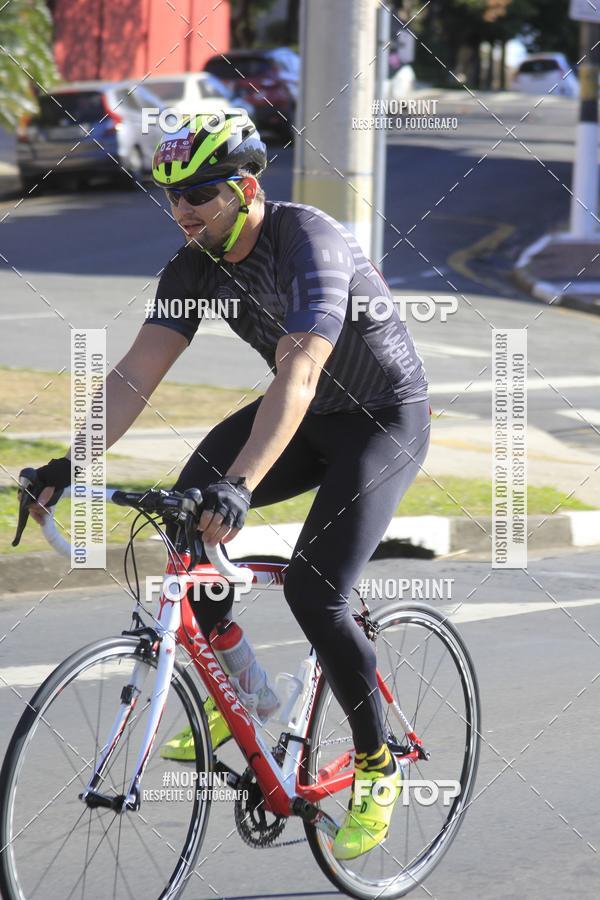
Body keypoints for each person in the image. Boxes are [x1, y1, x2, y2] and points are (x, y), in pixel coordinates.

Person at [29, 112, 430, 860]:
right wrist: (69, 464)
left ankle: (378, 764)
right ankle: (242, 691)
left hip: (380, 418)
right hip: (302, 416)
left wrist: (242, 483)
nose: (182, 209)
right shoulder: (192, 265)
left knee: (318, 592)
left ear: (246, 189)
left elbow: (303, 367)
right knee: (188, 517)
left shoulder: (308, 240)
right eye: (172, 195)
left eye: (201, 193)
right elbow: (135, 376)